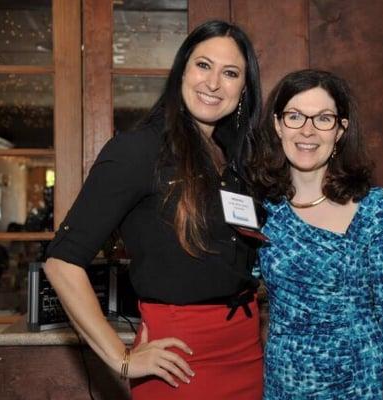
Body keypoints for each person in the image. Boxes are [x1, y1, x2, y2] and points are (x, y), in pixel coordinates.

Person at [44, 20, 265, 399]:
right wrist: (122, 358)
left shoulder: (235, 161)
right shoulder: (137, 150)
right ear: (181, 71)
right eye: (203, 65)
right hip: (180, 359)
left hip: (247, 352)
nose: (213, 83)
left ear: (243, 89)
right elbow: (61, 262)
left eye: (230, 73)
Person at [249, 69, 383, 399]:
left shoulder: (374, 207)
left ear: (340, 130)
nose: (307, 130)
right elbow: (232, 280)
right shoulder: (261, 210)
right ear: (278, 125)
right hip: (284, 386)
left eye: (323, 118)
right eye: (295, 116)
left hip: (363, 385)